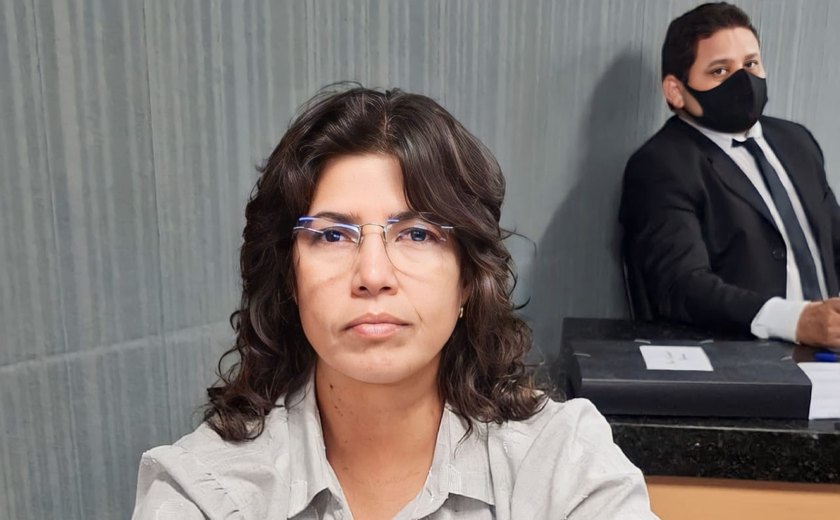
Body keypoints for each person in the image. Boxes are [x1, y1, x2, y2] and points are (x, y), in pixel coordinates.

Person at [132, 87, 657, 519]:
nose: (373, 276)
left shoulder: (564, 462)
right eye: (332, 235)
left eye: (418, 234)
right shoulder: (202, 490)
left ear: (468, 279)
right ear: (289, 277)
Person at [620, 2, 840, 347]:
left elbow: (834, 243)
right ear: (676, 91)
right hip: (746, 361)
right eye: (720, 71)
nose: (744, 81)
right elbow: (680, 285)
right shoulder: (661, 165)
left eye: (751, 64)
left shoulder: (797, 142)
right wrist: (795, 321)